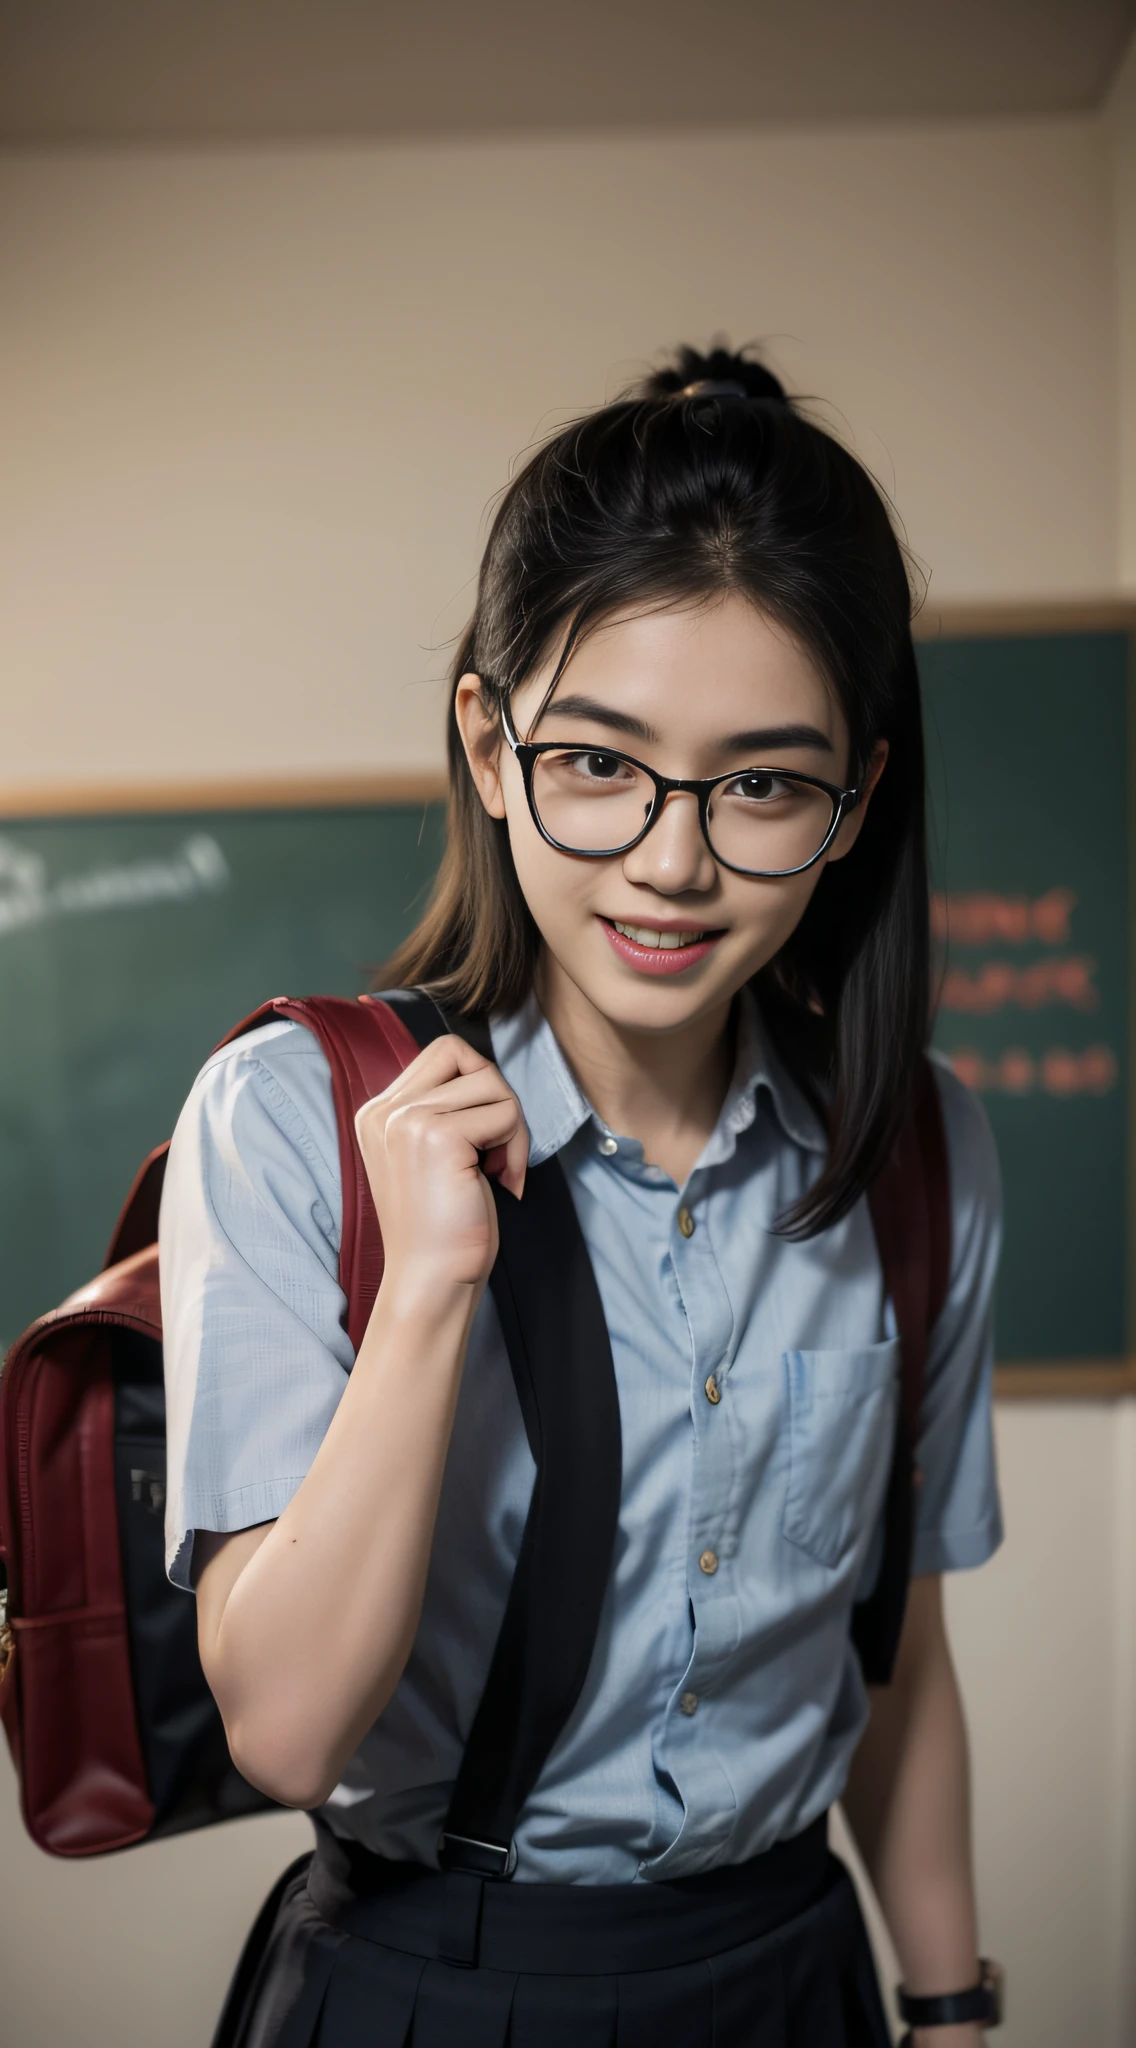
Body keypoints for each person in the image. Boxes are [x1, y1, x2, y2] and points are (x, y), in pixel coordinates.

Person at [159, 344, 1005, 2048]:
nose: (674, 861)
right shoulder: (288, 1116)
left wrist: (955, 2007)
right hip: (437, 1985)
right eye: (600, 763)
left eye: (763, 782)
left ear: (854, 806)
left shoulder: (919, 1155)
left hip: (791, 1978)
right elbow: (289, 1730)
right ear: (489, 741)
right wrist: (426, 1293)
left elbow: (893, 1664)